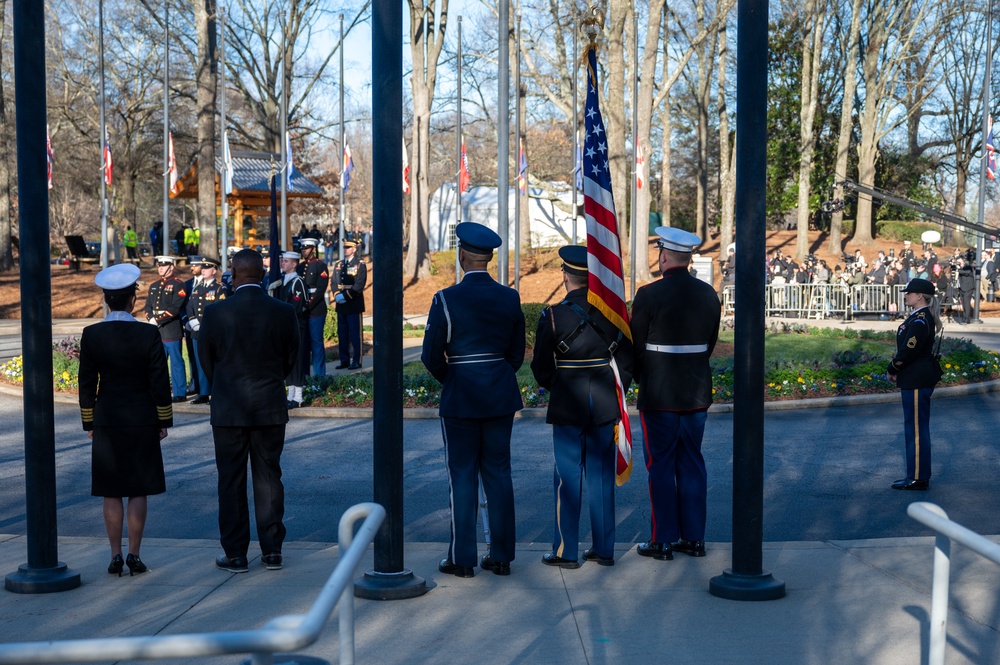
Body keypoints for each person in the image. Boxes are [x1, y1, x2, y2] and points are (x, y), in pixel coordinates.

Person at [421, 222, 525, 578]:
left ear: (462, 256)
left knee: (462, 477)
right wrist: (493, 375)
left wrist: (453, 378)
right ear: (489, 258)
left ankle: (462, 558)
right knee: (498, 474)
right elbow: (515, 356)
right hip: (499, 396)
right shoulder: (510, 297)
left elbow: (431, 356)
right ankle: (501, 557)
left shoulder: (446, 299)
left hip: (462, 397)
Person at [530, 245, 632, 569]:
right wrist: (617, 388)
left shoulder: (553, 315)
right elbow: (628, 360)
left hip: (568, 404)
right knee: (601, 477)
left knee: (567, 478)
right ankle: (604, 549)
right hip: (604, 402)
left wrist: (558, 386)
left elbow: (540, 367)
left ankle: (566, 551)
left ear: (565, 277)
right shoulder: (612, 313)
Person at [198, 249, 300, 573]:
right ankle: (272, 551)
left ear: (234, 272)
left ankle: (236, 554)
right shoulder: (283, 312)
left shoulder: (215, 312)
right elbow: (291, 357)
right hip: (268, 404)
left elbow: (206, 361)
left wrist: (223, 385)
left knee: (230, 480)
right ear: (262, 273)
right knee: (269, 477)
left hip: (229, 406)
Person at [630, 226, 721, 561]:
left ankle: (663, 540)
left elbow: (636, 345)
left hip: (660, 393)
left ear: (664, 256)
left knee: (661, 466)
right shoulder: (708, 293)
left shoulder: (649, 294)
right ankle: (694, 539)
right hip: (695, 391)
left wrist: (645, 377)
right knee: (692, 463)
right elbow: (708, 344)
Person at [79, 263, 173, 577]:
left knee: (111, 489)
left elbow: (86, 382)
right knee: (137, 489)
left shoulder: (92, 334)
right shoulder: (148, 332)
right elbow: (159, 380)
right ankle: (134, 554)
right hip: (141, 418)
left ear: (106, 299)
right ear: (133, 299)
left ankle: (115, 555)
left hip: (107, 419)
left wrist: (89, 423)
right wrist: (163, 419)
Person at [886, 278, 942, 491]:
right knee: (915, 428)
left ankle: (918, 478)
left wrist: (893, 368)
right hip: (914, 378)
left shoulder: (920, 319)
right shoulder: (919, 317)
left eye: (909, 293)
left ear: (919, 296)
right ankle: (917, 475)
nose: (906, 295)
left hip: (916, 379)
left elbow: (909, 351)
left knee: (916, 430)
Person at [144, 255, 188, 402]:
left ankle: (179, 392)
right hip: (157, 330)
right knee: (158, 364)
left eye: (163, 265)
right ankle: (159, 392)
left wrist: (156, 320)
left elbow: (175, 308)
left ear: (171, 267)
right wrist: (150, 317)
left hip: (171, 329)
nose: (160, 268)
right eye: (159, 265)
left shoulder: (178, 285)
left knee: (176, 362)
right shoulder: (154, 285)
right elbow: (148, 306)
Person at [271, 250, 309, 408]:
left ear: (294, 264)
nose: (283, 263)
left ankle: (299, 397)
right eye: (283, 261)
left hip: (296, 326)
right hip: (286, 327)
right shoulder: (283, 281)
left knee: (298, 360)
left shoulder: (297, 282)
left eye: (286, 261)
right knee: (289, 360)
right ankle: (291, 394)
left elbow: (297, 306)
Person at [186, 257, 226, 405]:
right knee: (200, 361)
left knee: (214, 362)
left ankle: (216, 392)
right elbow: (190, 305)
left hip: (212, 331)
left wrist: (204, 323)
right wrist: (192, 319)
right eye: (202, 268)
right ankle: (203, 392)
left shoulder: (220, 288)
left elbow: (219, 308)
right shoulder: (197, 288)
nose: (203, 270)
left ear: (214, 270)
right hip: (197, 331)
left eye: (207, 268)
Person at [332, 239, 367, 370]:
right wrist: (336, 295)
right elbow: (333, 282)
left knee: (355, 334)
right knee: (343, 334)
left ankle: (357, 360)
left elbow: (359, 285)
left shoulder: (360, 264)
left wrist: (345, 296)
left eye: (348, 248)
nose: (345, 249)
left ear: (354, 249)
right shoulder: (338, 264)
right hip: (341, 305)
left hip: (353, 303)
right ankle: (344, 360)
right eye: (344, 248)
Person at [298, 237, 329, 376]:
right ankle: (305, 376)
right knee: (304, 345)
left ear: (314, 249)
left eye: (307, 248)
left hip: (316, 310)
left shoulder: (320, 266)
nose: (304, 251)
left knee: (316, 344)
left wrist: (307, 305)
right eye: (302, 248)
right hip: (303, 311)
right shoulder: (300, 267)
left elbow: (320, 290)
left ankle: (319, 376)